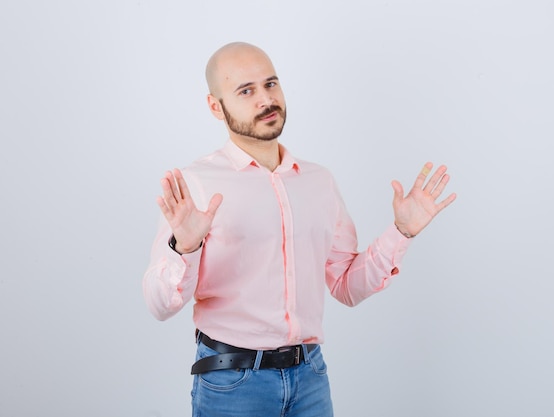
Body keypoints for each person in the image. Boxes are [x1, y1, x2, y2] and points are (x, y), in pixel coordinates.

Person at [143, 41, 456, 417]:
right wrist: (186, 245)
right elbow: (159, 305)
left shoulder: (318, 182)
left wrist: (401, 233)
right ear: (215, 106)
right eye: (246, 90)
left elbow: (345, 286)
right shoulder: (196, 185)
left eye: (271, 84)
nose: (265, 99)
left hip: (310, 379)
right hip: (233, 385)